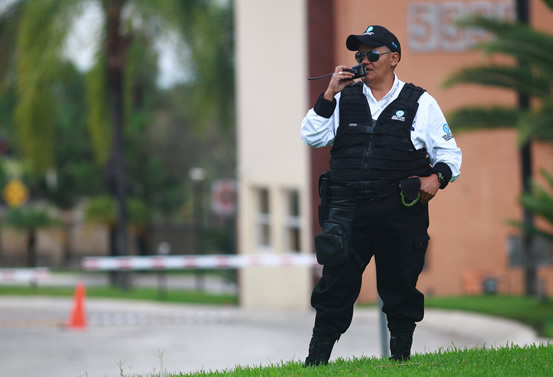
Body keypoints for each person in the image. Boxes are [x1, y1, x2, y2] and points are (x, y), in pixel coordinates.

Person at [301, 25, 462, 366]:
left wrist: (437, 178)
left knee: (400, 286)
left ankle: (400, 362)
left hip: (399, 211)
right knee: (335, 288)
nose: (364, 60)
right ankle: (315, 365)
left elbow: (450, 155)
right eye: (359, 55)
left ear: (394, 58)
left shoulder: (420, 102)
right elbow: (312, 136)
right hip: (347, 212)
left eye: (372, 54)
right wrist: (329, 93)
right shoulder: (343, 98)